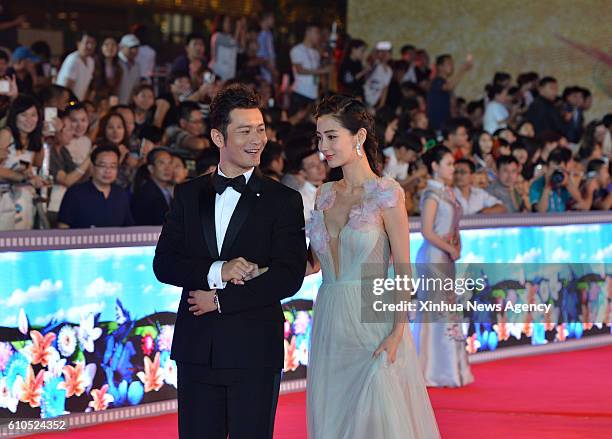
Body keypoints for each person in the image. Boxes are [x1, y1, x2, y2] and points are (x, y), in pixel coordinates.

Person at [153, 84, 307, 439]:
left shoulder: (282, 200)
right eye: (245, 131)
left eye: (261, 129)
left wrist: (221, 300)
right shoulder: (188, 194)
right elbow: (164, 264)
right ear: (218, 137)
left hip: (254, 348)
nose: (257, 140)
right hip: (197, 350)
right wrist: (216, 271)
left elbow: (289, 275)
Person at [306, 95, 440, 438]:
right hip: (329, 322)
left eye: (332, 136)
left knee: (377, 422)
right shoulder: (323, 194)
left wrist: (397, 333)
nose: (324, 147)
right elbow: (311, 265)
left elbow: (404, 271)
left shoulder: (387, 193)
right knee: (334, 419)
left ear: (359, 137)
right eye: (320, 137)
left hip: (374, 322)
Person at [413, 145, 474, 387]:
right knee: (435, 311)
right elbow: (427, 231)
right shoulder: (431, 195)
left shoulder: (447, 193)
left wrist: (455, 245)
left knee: (446, 308)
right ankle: (431, 369)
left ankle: (448, 367)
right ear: (435, 166)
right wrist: (450, 248)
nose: (453, 168)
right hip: (434, 258)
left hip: (445, 256)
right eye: (448, 164)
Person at [57, 143, 134, 228]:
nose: (108, 171)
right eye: (102, 165)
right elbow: (63, 227)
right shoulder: (75, 193)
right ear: (92, 167)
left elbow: (128, 228)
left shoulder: (121, 194)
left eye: (113, 166)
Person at [529, 147, 591, 212]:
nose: (556, 174)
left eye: (560, 170)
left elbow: (583, 206)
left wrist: (568, 184)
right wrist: (547, 187)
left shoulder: (567, 184)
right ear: (547, 168)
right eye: (552, 170)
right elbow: (540, 212)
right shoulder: (537, 185)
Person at [289, 24, 331, 115]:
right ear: (308, 33)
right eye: (316, 32)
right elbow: (300, 70)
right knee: (297, 122)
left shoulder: (315, 52)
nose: (318, 36)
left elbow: (316, 72)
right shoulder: (297, 50)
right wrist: (322, 71)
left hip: (314, 94)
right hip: (300, 93)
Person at [426, 54, 473, 132]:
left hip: (446, 125)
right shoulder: (437, 81)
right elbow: (449, 86)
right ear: (440, 67)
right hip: (438, 126)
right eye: (449, 63)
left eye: (452, 63)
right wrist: (463, 69)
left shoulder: (444, 83)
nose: (452, 66)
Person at [131, 148, 174, 225]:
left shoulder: (168, 191)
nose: (167, 168)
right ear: (151, 168)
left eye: (170, 163)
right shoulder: (145, 194)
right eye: (161, 163)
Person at [55, 32, 96, 101]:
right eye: (87, 43)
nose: (90, 46)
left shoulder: (91, 61)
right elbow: (66, 87)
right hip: (64, 102)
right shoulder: (73, 60)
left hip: (77, 102)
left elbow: (86, 86)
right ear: (78, 44)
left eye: (92, 43)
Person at [363, 41, 393, 109]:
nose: (385, 55)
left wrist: (381, 106)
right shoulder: (375, 64)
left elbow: (385, 89)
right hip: (365, 97)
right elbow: (371, 59)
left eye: (388, 52)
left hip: (374, 102)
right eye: (383, 52)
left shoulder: (389, 70)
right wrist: (376, 48)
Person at [117, 34, 142, 105]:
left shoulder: (137, 66)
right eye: (131, 47)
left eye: (136, 48)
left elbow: (135, 87)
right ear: (121, 47)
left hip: (127, 106)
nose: (134, 51)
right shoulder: (115, 63)